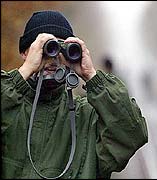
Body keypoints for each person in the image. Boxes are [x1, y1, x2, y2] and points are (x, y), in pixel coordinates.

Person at [1, 10, 148, 179]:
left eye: (60, 48)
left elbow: (132, 135)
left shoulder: (86, 116)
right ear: (25, 53)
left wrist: (91, 75)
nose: (53, 57)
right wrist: (25, 72)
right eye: (46, 48)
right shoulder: (10, 106)